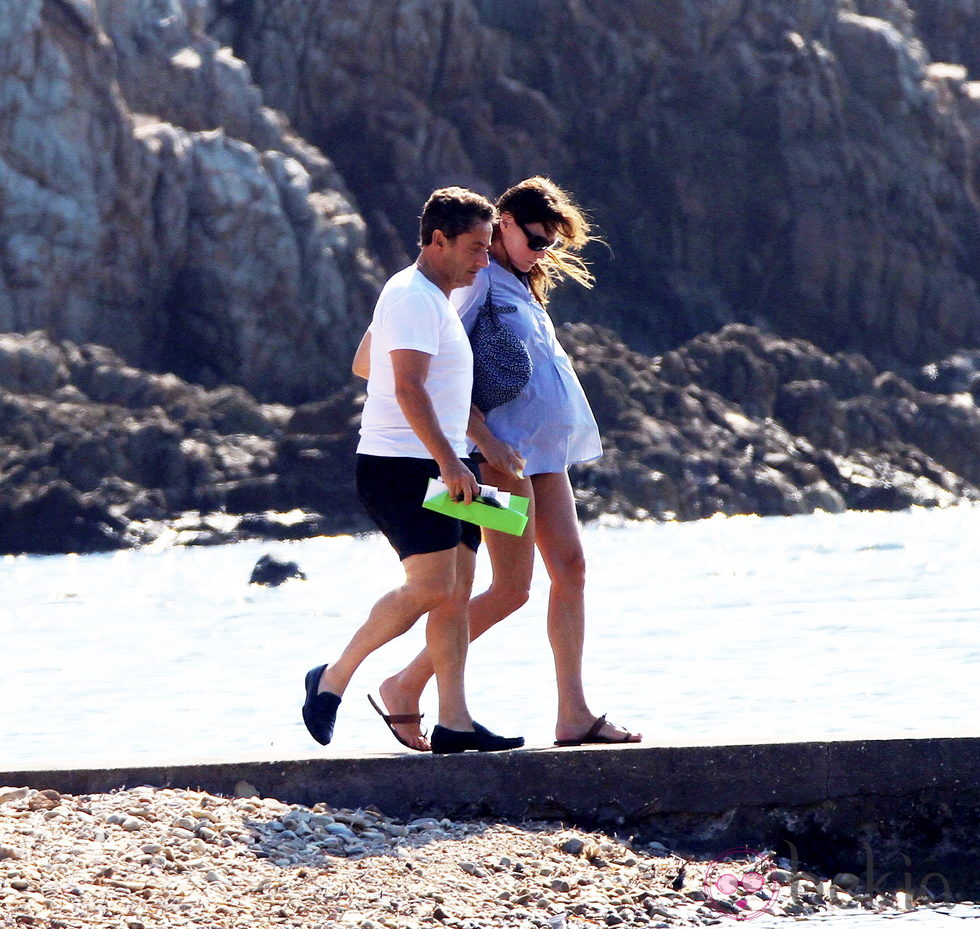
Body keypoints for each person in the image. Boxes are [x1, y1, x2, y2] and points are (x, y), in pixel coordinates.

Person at [371, 176, 641, 750]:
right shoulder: (474, 281)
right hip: (500, 466)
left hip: (545, 459)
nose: (545, 252)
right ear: (504, 225)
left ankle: (574, 714)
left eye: (552, 245)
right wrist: (483, 439)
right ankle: (404, 684)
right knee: (511, 589)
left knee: (571, 571)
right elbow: (423, 372)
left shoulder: (520, 284)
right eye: (536, 239)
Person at [302, 186, 524, 755]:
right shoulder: (410, 296)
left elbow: (365, 363)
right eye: (475, 247)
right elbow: (405, 386)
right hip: (401, 469)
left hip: (449, 465)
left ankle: (455, 722)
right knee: (432, 586)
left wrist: (482, 443)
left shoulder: (432, 300)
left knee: (460, 588)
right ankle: (333, 676)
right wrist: (450, 461)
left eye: (488, 246)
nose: (484, 259)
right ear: (438, 241)